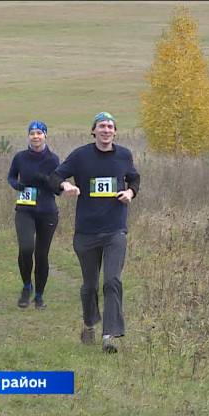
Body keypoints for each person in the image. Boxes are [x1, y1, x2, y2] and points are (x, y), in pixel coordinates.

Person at [45, 112, 140, 353]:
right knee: (90, 285)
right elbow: (54, 176)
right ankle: (89, 323)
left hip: (115, 230)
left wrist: (130, 193)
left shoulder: (124, 155)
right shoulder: (81, 155)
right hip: (86, 232)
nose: (106, 130)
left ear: (115, 132)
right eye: (102, 126)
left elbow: (134, 179)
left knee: (112, 280)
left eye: (110, 126)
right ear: (94, 131)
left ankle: (109, 336)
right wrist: (65, 185)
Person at [7, 120, 60, 310]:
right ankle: (26, 286)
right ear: (28, 136)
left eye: (39, 133)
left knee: (42, 255)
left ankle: (39, 296)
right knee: (26, 248)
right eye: (32, 133)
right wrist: (16, 185)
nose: (35, 136)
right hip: (25, 210)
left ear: (45, 135)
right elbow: (11, 176)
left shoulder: (53, 159)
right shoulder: (20, 157)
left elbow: (57, 187)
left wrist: (45, 179)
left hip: (47, 212)